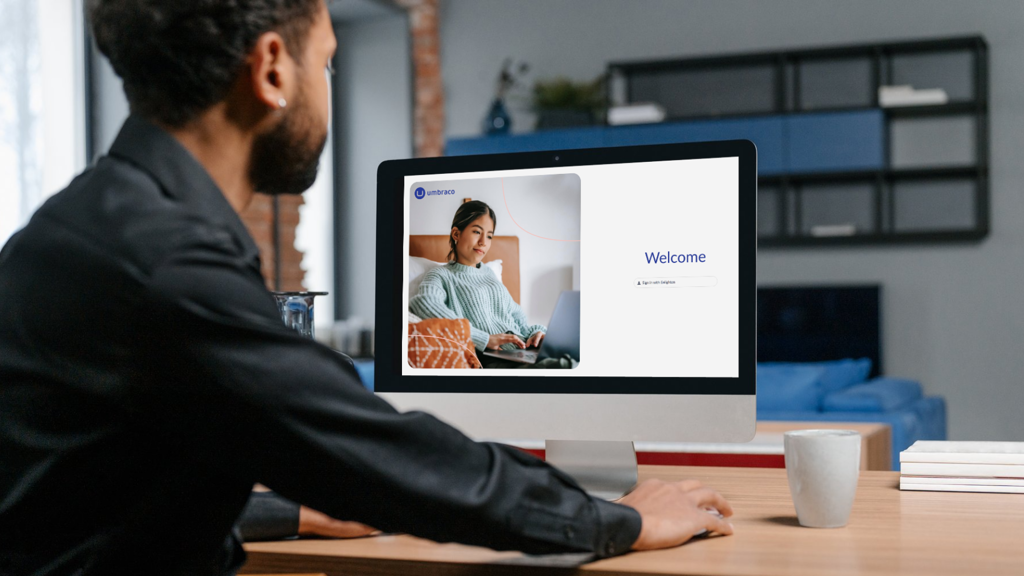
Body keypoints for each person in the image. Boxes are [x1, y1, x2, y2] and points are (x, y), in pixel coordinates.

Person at [0, 1, 734, 573]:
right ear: (273, 70)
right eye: (328, 63)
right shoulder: (167, 268)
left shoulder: (80, 229)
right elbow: (397, 462)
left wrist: (291, 512)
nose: (328, 89)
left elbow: (96, 499)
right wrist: (623, 520)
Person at [409, 200, 566, 368]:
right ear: (456, 234)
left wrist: (537, 333)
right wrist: (482, 339)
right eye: (477, 232)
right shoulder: (442, 274)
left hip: (522, 351)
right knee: (563, 366)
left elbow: (517, 318)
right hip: (493, 359)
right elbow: (424, 303)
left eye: (489, 236)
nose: (484, 241)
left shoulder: (489, 274)